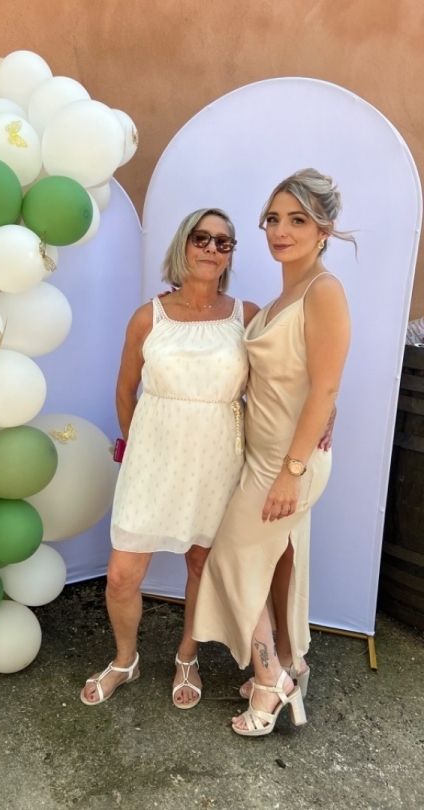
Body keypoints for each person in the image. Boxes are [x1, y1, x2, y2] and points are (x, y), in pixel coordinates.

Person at [193, 168, 352, 736]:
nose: (281, 231)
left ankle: (270, 682)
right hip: (265, 456)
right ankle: (289, 661)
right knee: (278, 562)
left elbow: (326, 386)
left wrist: (292, 471)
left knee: (230, 561)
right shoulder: (287, 293)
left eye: (298, 220)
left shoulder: (324, 291)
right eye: (273, 219)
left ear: (323, 230)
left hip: (288, 463)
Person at [80, 208, 259, 708]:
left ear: (230, 255)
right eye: (201, 238)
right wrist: (138, 446)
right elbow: (125, 390)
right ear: (183, 245)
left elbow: (279, 383)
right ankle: (126, 659)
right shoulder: (149, 316)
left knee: (201, 563)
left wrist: (325, 407)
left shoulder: (246, 315)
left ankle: (187, 656)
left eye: (223, 242)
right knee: (122, 574)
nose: (211, 248)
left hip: (217, 459)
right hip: (153, 460)